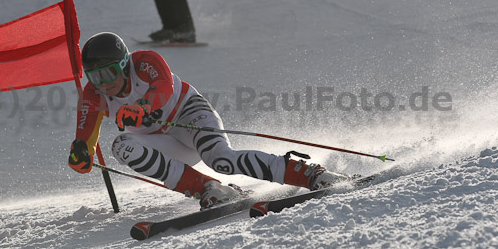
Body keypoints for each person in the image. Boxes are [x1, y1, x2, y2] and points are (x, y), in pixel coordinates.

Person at [68, 32, 350, 208]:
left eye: (108, 74)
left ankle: (311, 174)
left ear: (123, 65)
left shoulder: (144, 62)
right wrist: (81, 154)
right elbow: (85, 138)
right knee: (121, 146)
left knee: (222, 160)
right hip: (163, 140)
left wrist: (142, 107)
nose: (103, 84)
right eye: (94, 77)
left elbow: (163, 88)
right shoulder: (94, 95)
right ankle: (207, 188)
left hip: (188, 116)